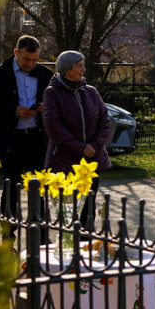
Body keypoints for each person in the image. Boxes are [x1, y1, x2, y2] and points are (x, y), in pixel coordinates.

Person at [0, 35, 53, 231]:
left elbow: (55, 104)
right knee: (10, 187)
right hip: (11, 139)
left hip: (37, 138)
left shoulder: (45, 74)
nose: (31, 63)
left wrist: (43, 108)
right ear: (16, 53)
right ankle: (8, 232)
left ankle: (41, 232)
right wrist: (14, 110)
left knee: (39, 188)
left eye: (35, 59)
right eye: (26, 59)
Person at [41, 51, 113, 229]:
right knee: (67, 211)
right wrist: (80, 148)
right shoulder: (52, 93)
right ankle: (66, 249)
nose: (84, 69)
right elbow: (54, 127)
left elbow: (105, 122)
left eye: (83, 64)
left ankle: (86, 246)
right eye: (79, 65)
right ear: (67, 70)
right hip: (64, 162)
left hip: (90, 161)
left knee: (88, 209)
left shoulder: (91, 92)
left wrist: (93, 146)